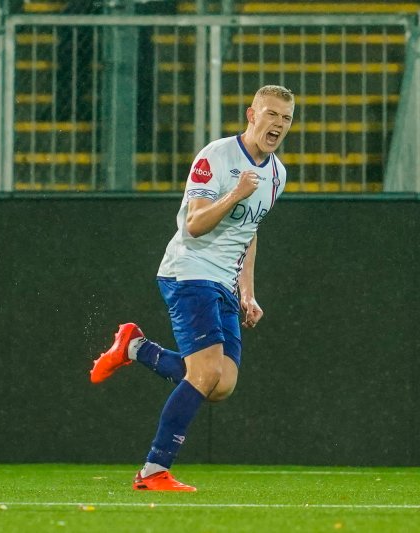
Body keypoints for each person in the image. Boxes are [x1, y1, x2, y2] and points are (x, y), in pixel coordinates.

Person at [90, 85, 295, 491]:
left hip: (223, 281)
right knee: (204, 374)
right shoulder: (215, 157)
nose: (278, 124)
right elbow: (194, 225)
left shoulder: (277, 174)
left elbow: (248, 232)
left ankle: (135, 348)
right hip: (189, 271)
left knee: (221, 385)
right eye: (271, 114)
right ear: (251, 115)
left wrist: (247, 292)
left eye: (286, 119)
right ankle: (153, 471)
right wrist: (236, 192)